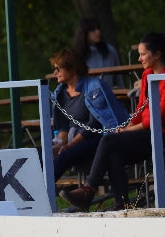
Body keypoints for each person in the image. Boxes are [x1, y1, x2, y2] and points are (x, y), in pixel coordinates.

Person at [61, 32, 165, 212]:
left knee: (108, 141)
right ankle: (122, 205)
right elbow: (140, 110)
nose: (139, 58)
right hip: (146, 132)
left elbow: (158, 118)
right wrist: (126, 127)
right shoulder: (147, 75)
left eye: (143, 54)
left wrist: (128, 131)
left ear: (157, 55)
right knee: (113, 152)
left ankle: (88, 191)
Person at [49, 47, 129, 199]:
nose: (55, 73)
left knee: (65, 155)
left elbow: (93, 125)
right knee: (42, 152)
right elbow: (63, 126)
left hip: (95, 138)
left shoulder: (95, 87)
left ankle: (39, 191)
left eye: (58, 68)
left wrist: (70, 145)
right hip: (74, 139)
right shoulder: (60, 93)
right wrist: (60, 143)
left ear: (72, 68)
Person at [72, 17, 123, 88]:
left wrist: (121, 91)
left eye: (98, 28)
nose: (98, 32)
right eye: (93, 30)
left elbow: (118, 77)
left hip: (110, 94)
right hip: (86, 96)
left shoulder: (110, 50)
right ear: (84, 33)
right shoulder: (76, 54)